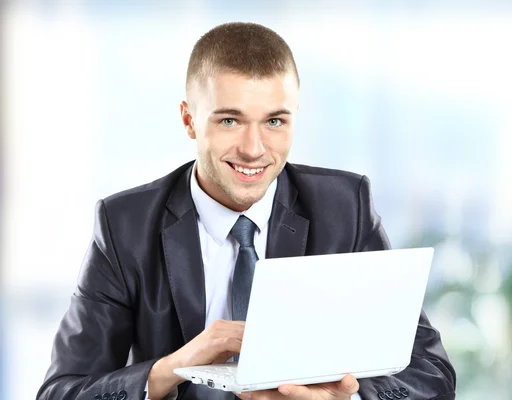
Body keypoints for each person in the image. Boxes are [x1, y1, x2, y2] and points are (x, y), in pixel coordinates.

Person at [37, 22, 456, 400]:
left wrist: (343, 396)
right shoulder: (124, 225)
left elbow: (431, 376)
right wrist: (172, 369)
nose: (254, 150)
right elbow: (60, 392)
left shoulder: (345, 207)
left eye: (275, 121)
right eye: (230, 122)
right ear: (189, 120)